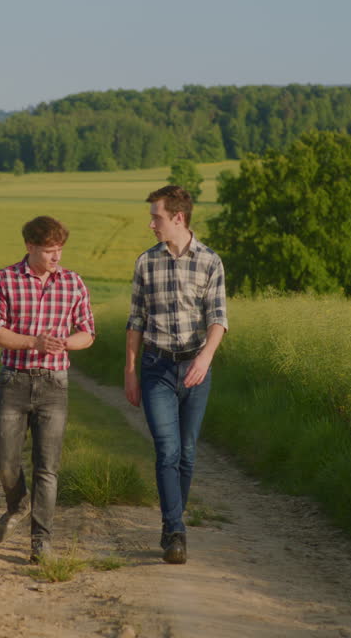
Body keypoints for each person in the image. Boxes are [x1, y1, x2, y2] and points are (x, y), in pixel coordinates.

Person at [0, 215, 95, 563]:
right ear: (30, 247)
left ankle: (41, 542)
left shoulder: (73, 283)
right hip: (14, 381)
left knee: (48, 466)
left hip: (54, 385)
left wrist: (65, 343)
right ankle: (18, 504)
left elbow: (88, 332)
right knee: (4, 460)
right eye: (48, 251)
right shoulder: (5, 279)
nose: (56, 257)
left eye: (59, 250)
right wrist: (34, 342)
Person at [124, 185, 228, 565]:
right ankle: (175, 530)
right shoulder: (145, 263)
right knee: (166, 450)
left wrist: (205, 359)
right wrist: (130, 370)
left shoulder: (210, 262)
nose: (151, 223)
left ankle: (173, 521)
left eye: (157, 217)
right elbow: (135, 320)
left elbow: (218, 319)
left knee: (186, 453)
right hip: (157, 368)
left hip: (196, 369)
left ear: (178, 218)